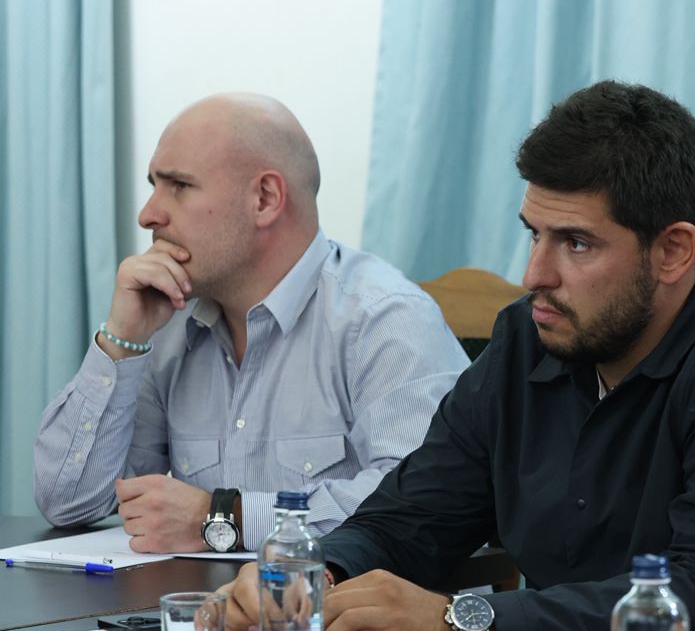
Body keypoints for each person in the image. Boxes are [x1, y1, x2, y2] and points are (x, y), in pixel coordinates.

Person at [221, 81, 695, 631]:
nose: (534, 275)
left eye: (575, 243)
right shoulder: (530, 338)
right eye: (534, 234)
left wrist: (465, 623)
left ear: (673, 251)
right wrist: (317, 573)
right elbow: (415, 516)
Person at [34, 93, 467, 553]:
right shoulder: (169, 324)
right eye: (153, 185)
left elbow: (426, 507)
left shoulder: (384, 319)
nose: (148, 214)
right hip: (203, 599)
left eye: (179, 185)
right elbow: (69, 504)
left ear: (265, 199)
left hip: (339, 600)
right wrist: (122, 339)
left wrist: (225, 518)